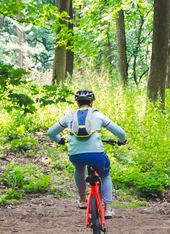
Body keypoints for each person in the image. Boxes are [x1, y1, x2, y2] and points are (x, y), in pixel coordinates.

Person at [46, 89, 127, 217]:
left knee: (79, 169)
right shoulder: (98, 115)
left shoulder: (70, 116)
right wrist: (122, 141)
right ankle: (108, 209)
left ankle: (82, 200)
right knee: (105, 175)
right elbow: (120, 133)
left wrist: (60, 140)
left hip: (76, 155)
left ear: (77, 103)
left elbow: (50, 132)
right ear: (92, 102)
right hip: (96, 155)